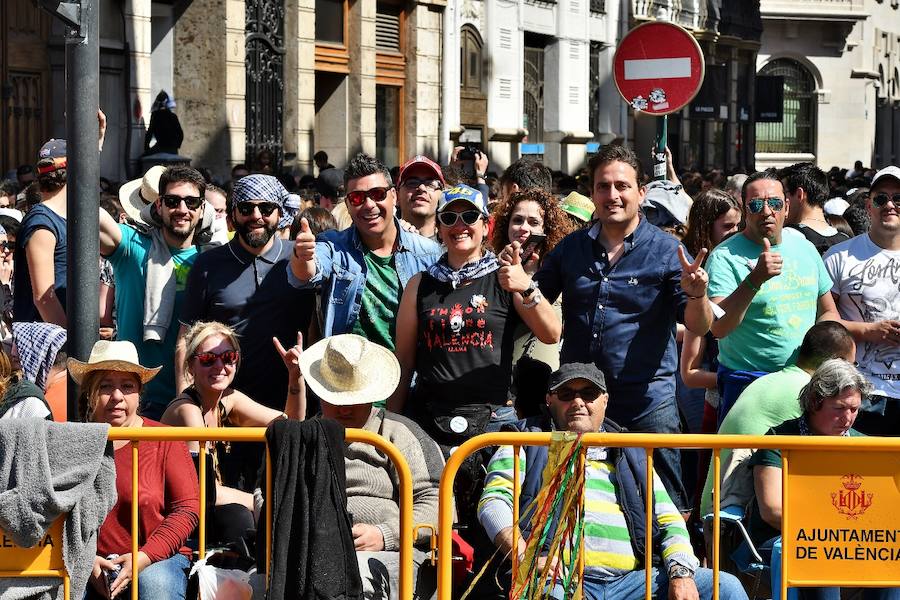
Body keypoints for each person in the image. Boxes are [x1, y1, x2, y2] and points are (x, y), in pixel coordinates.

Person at [533, 144, 712, 513]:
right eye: (603, 186)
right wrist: (521, 285)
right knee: (576, 506)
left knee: (663, 508)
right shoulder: (570, 249)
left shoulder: (667, 251)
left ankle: (674, 569)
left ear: (641, 192)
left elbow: (699, 324)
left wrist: (697, 296)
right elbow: (534, 308)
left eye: (622, 186)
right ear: (593, 192)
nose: (612, 195)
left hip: (647, 403)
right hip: (580, 402)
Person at [477, 362, 748, 600]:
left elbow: (669, 520)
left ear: (605, 400)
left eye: (589, 394)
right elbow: (493, 502)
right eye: (566, 394)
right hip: (557, 579)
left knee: (725, 587)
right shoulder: (524, 442)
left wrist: (681, 573)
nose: (578, 402)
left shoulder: (631, 449)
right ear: (550, 400)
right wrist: (525, 556)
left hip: (632, 582)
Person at [390, 184, 561, 436]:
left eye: (469, 217)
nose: (460, 226)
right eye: (449, 218)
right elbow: (404, 361)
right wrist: (393, 422)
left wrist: (525, 285)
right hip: (430, 418)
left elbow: (552, 333)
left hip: (492, 418)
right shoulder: (419, 284)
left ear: (486, 226)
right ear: (439, 228)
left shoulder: (504, 277)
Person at [299, 334, 444, 600]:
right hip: (309, 550)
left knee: (353, 580)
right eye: (337, 398)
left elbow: (438, 501)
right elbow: (267, 494)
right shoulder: (300, 438)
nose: (346, 408)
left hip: (387, 553)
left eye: (355, 398)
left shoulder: (401, 433)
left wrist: (385, 534)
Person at [745, 360, 900, 600]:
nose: (848, 418)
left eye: (854, 409)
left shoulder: (867, 445)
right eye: (839, 408)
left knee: (891, 555)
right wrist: (830, 534)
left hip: (852, 540)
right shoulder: (780, 439)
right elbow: (771, 510)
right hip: (784, 538)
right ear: (816, 401)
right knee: (821, 556)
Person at [705, 168, 840, 423]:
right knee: (743, 462)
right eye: (756, 204)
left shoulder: (804, 246)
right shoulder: (724, 257)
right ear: (745, 210)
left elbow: (829, 311)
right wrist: (755, 279)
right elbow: (719, 327)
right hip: (749, 383)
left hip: (804, 380)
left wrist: (817, 351)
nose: (767, 211)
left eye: (775, 203)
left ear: (787, 207)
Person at [69, 340, 199, 600]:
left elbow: (187, 509)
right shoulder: (70, 440)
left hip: (156, 558)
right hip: (86, 560)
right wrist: (86, 559)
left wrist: (144, 557)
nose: (117, 396)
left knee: (155, 586)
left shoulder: (166, 439)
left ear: (139, 392)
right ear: (89, 392)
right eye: (105, 385)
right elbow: (55, 513)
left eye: (127, 386)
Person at [161, 321, 303, 546]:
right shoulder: (187, 411)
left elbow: (291, 427)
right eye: (208, 359)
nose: (220, 365)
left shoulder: (227, 400)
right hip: (177, 517)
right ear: (191, 366)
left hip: (206, 509)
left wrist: (295, 379)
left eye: (228, 357)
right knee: (238, 518)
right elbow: (205, 492)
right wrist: (261, 503)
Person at [699, 321, 856, 517]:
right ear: (837, 362)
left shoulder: (773, 380)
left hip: (718, 507)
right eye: (852, 365)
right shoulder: (809, 394)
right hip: (731, 517)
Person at [290, 153, 442, 349]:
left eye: (378, 194)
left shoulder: (428, 253)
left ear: (394, 196)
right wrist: (302, 255)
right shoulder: (333, 246)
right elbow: (306, 273)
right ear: (347, 205)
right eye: (357, 198)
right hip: (348, 375)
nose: (369, 205)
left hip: (409, 376)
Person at [99, 165, 208, 419]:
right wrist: (93, 145)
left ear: (202, 209)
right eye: (172, 201)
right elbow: (90, 215)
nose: (182, 209)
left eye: (191, 202)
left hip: (196, 404)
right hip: (135, 404)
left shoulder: (212, 258)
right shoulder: (133, 246)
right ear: (158, 206)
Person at [823, 165, 900, 436]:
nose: (890, 205)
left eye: (898, 198)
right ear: (869, 206)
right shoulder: (839, 256)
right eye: (881, 198)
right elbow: (823, 323)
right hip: (859, 394)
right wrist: (869, 331)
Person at [490, 188, 574, 415]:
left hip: (550, 392)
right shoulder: (490, 271)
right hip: (503, 397)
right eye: (517, 220)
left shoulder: (562, 272)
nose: (524, 228)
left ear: (547, 229)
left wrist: (525, 280)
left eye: (533, 222)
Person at [680, 189, 742, 431]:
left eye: (739, 225)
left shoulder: (735, 261)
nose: (735, 233)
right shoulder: (687, 265)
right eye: (727, 226)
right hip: (701, 381)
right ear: (706, 227)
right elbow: (689, 372)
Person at [14, 139, 68, 325]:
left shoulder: (54, 218)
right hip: (51, 346)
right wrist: (74, 343)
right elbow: (44, 299)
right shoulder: (42, 223)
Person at [781, 162, 849, 255]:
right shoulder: (846, 242)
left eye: (783, 194)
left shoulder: (787, 237)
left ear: (799, 194)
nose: (780, 200)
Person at [396, 155, 445, 241]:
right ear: (397, 197)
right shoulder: (384, 241)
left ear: (442, 195)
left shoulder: (453, 244)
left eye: (430, 184)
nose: (422, 188)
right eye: (412, 183)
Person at [144, 91, 184, 155]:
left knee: (143, 159)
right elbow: (180, 134)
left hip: (161, 147)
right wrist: (176, 146)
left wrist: (146, 148)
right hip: (172, 149)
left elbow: (150, 133)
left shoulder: (155, 116)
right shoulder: (173, 116)